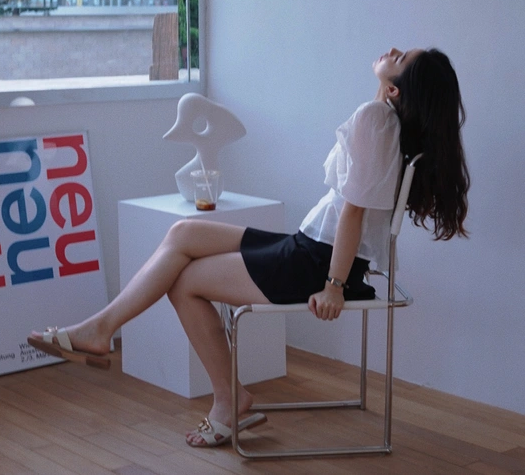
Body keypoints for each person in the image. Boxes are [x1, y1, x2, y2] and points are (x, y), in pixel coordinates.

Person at [28, 47, 470, 448]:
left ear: (395, 89)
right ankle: (101, 328)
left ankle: (227, 399)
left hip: (319, 261)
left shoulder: (376, 119)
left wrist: (334, 286)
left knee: (184, 283)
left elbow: (353, 211)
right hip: (313, 247)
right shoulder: (388, 121)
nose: (392, 50)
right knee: (184, 232)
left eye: (401, 57)